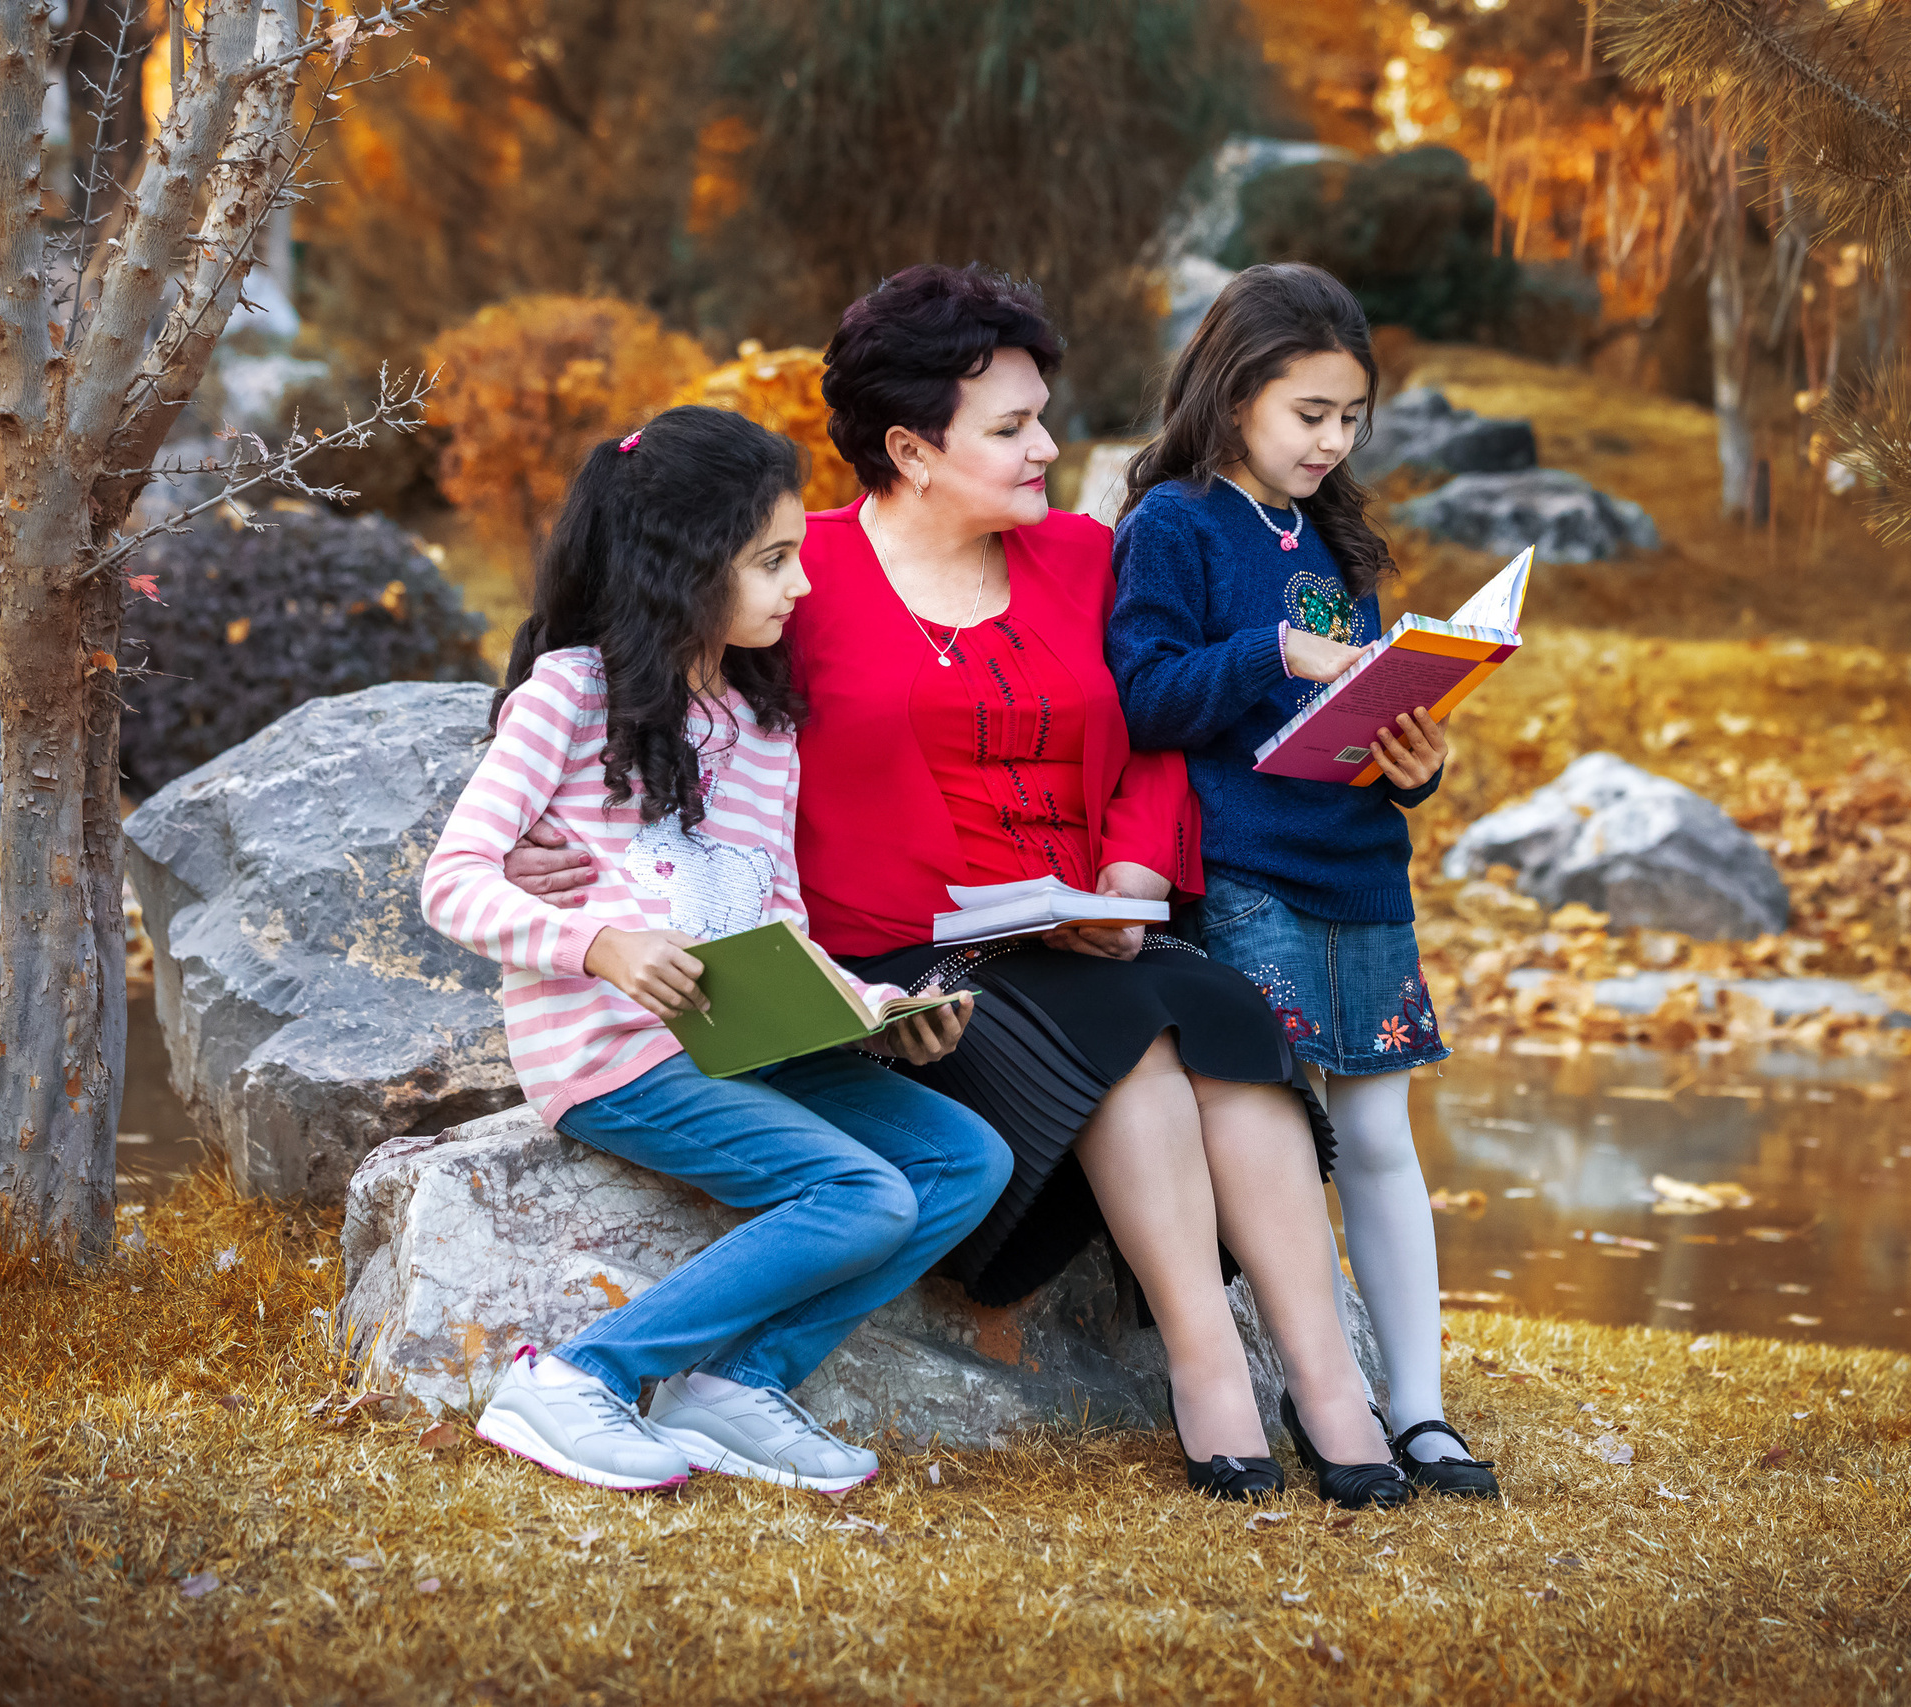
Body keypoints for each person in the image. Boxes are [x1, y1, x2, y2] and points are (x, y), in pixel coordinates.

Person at [507, 264, 1413, 1508]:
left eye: (1041, 414)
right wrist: (537, 835)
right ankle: (1208, 1375)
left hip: (1087, 923)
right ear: (909, 447)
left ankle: (1328, 1390)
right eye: (1010, 427)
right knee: (1131, 1034)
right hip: (903, 958)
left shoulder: (1083, 559)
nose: (1048, 445)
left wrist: (1137, 862)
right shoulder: (795, 577)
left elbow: (1149, 730)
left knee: (1228, 1017)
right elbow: (618, 652)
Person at [421, 405, 1010, 1496]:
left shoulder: (764, 726)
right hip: (612, 1054)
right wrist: (598, 945)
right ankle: (578, 1379)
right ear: (685, 566)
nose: (801, 586)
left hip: (742, 1039)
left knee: (966, 1158)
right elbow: (451, 882)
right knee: (863, 1194)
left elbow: (775, 917)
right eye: (772, 562)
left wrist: (873, 1009)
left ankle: (737, 1390)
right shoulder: (568, 696)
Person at [1106, 262, 1500, 1499]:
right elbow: (1145, 694)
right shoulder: (1171, 524)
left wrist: (1413, 762)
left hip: (1358, 868)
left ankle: (1420, 1409)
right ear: (1231, 401)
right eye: (1308, 415)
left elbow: (1361, 716)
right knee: (1275, 1130)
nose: (1333, 442)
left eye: (1349, 418)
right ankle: (1287, 1383)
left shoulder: (1334, 535)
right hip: (1243, 874)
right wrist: (1272, 648)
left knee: (1379, 1131)